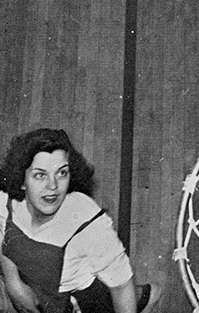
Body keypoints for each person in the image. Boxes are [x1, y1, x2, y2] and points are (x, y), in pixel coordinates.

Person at [0, 128, 161, 313]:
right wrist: (13, 282)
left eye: (62, 173)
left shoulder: (89, 224)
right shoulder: (5, 200)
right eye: (40, 175)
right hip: (30, 282)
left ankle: (146, 297)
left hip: (81, 298)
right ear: (21, 180)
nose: (53, 186)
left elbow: (122, 286)